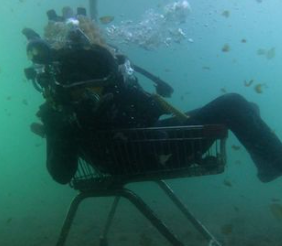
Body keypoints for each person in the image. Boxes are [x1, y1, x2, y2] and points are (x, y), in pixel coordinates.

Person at [24, 7, 282, 184]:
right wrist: (59, 128)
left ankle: (269, 164)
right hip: (142, 156)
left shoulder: (102, 87)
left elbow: (146, 114)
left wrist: (125, 86)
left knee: (247, 106)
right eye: (77, 71)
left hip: (145, 144)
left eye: (95, 66)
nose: (86, 80)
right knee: (233, 104)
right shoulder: (61, 108)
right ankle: (276, 164)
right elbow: (61, 174)